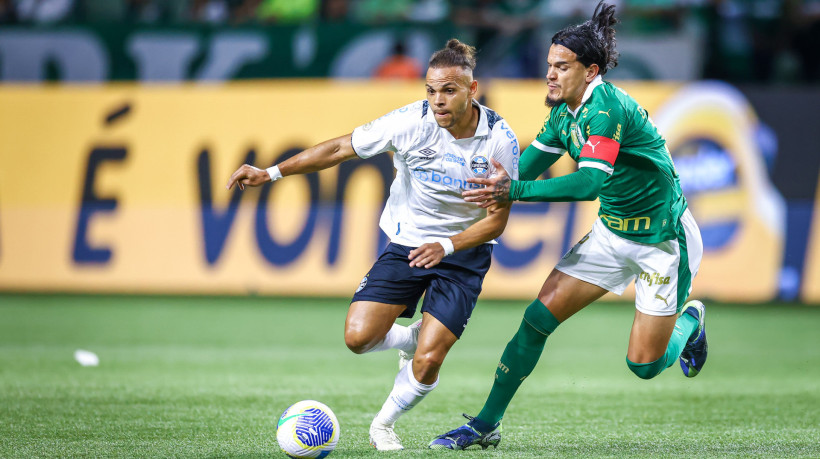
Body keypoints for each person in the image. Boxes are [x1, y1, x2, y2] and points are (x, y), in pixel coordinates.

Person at [428, 2, 707, 450]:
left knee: (644, 365)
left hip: (662, 240)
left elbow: (589, 183)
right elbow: (524, 168)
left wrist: (514, 190)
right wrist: (483, 187)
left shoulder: (606, 109)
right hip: (612, 234)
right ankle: (485, 424)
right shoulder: (563, 113)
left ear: (591, 70)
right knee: (536, 320)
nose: (550, 75)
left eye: (562, 66)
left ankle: (689, 322)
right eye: (549, 65)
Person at [225, 39, 520, 451]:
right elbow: (338, 148)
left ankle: (383, 424)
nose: (437, 100)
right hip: (408, 244)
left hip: (463, 254)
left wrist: (447, 246)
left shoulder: (499, 140)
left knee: (429, 361)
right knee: (357, 338)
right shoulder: (409, 122)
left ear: (472, 90)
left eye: (449, 90)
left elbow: (496, 222)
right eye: (431, 90)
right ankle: (409, 338)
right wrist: (271, 173)